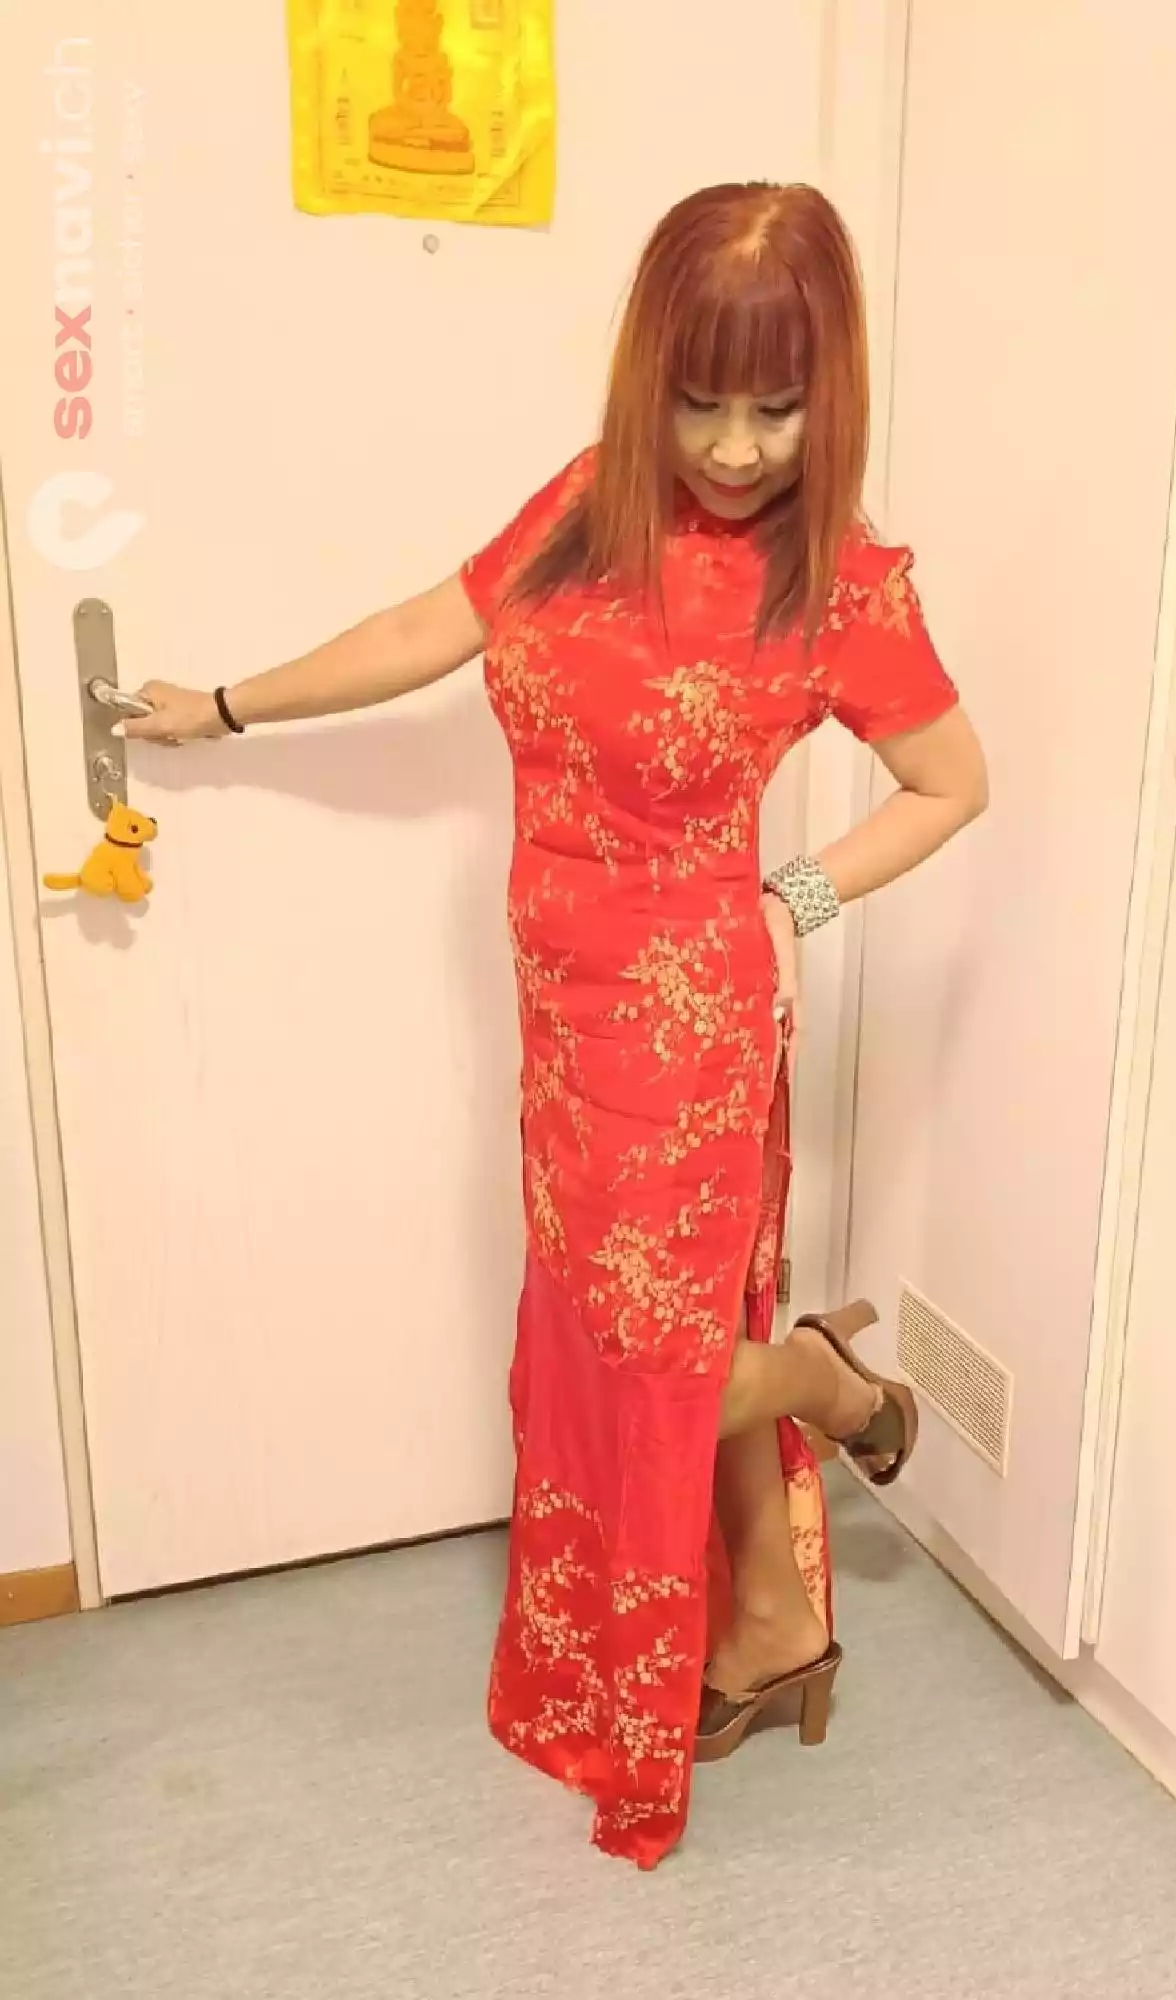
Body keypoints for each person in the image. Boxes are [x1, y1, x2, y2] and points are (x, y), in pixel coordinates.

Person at [129, 180, 988, 1869]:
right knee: (603, 1344)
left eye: (776, 406)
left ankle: (822, 1385)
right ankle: (770, 1624)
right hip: (556, 1010)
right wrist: (224, 704)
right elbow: (420, 628)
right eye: (699, 399)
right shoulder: (588, 504)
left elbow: (950, 784)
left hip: (688, 1021)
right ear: (645, 374)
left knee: (654, 1360)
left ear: (830, 394)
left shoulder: (839, 583)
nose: (731, 448)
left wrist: (790, 900)